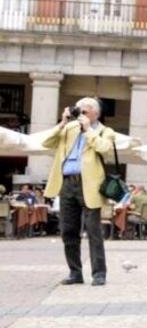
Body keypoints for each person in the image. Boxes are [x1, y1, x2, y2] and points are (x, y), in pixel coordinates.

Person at [43, 98, 116, 286]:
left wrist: (88, 130)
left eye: (85, 111)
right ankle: (75, 272)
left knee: (93, 231)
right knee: (68, 231)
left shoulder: (105, 131)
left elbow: (105, 148)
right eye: (79, 111)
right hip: (67, 183)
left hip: (89, 185)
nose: (81, 114)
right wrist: (63, 122)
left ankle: (99, 273)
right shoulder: (69, 129)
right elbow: (46, 142)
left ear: (95, 114)